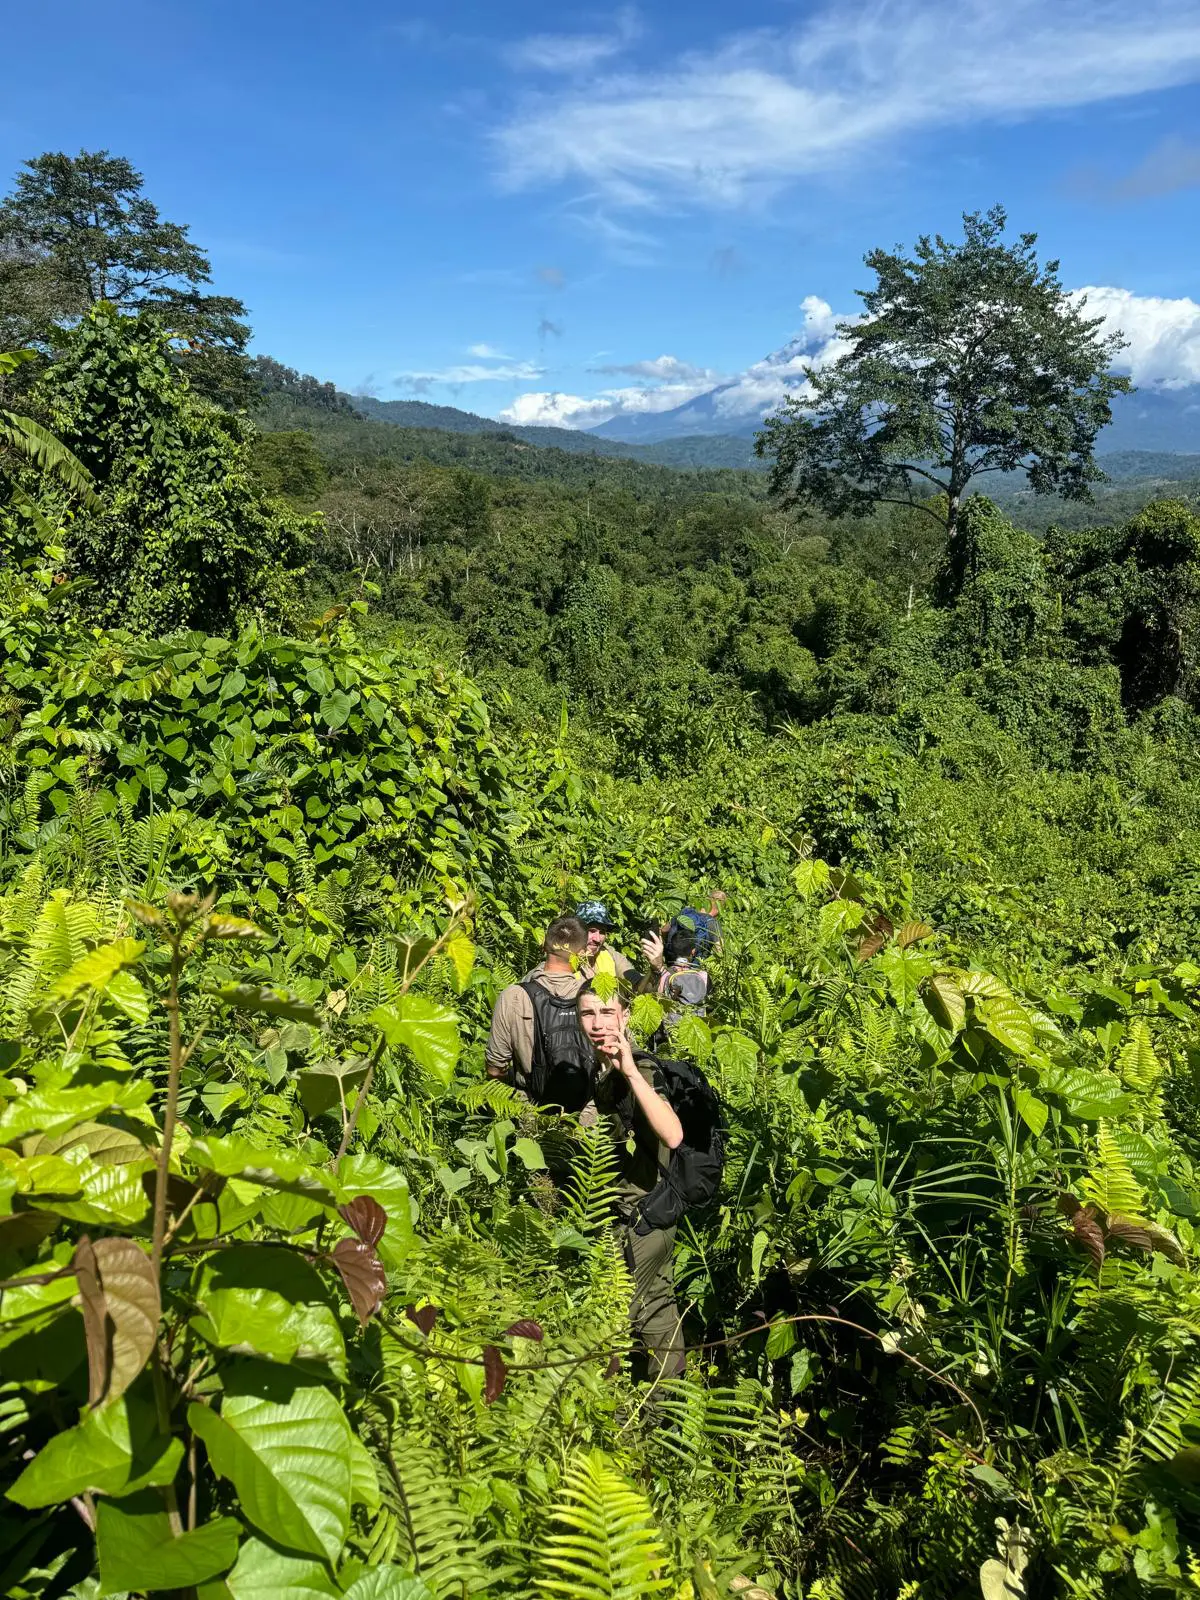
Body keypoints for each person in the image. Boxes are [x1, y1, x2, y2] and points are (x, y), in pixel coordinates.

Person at [577, 983, 688, 1380]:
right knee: (658, 1309)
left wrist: (630, 1072)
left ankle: (612, 1415)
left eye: (606, 1013)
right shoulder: (601, 1066)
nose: (596, 1023)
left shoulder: (638, 1067)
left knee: (613, 1318)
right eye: (587, 1014)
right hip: (641, 1211)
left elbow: (673, 1134)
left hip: (643, 1214)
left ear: (624, 1016)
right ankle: (675, 1414)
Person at [486, 916, 593, 1111]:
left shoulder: (514, 996)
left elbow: (494, 1069)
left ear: (544, 945)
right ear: (583, 953)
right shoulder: (594, 996)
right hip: (589, 1117)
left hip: (532, 1111)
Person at [639, 905, 721, 1040]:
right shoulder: (705, 976)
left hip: (669, 1037)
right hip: (696, 1033)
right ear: (693, 951)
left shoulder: (664, 975)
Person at [574, 899, 636, 981]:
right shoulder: (562, 956)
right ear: (576, 930)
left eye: (602, 932)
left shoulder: (609, 953)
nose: (597, 939)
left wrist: (655, 969)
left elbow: (638, 984)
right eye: (592, 931)